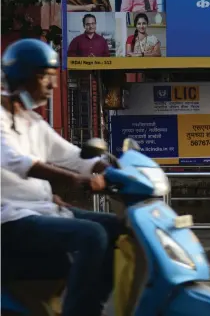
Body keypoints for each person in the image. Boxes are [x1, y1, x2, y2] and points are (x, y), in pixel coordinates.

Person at [1, 39, 122, 316]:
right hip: (10, 218)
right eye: (47, 77)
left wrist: (111, 168)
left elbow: (73, 156)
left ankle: (93, 307)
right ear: (24, 76)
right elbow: (16, 161)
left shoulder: (32, 121)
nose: (53, 86)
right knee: (92, 235)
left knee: (118, 227)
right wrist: (73, 180)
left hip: (40, 210)